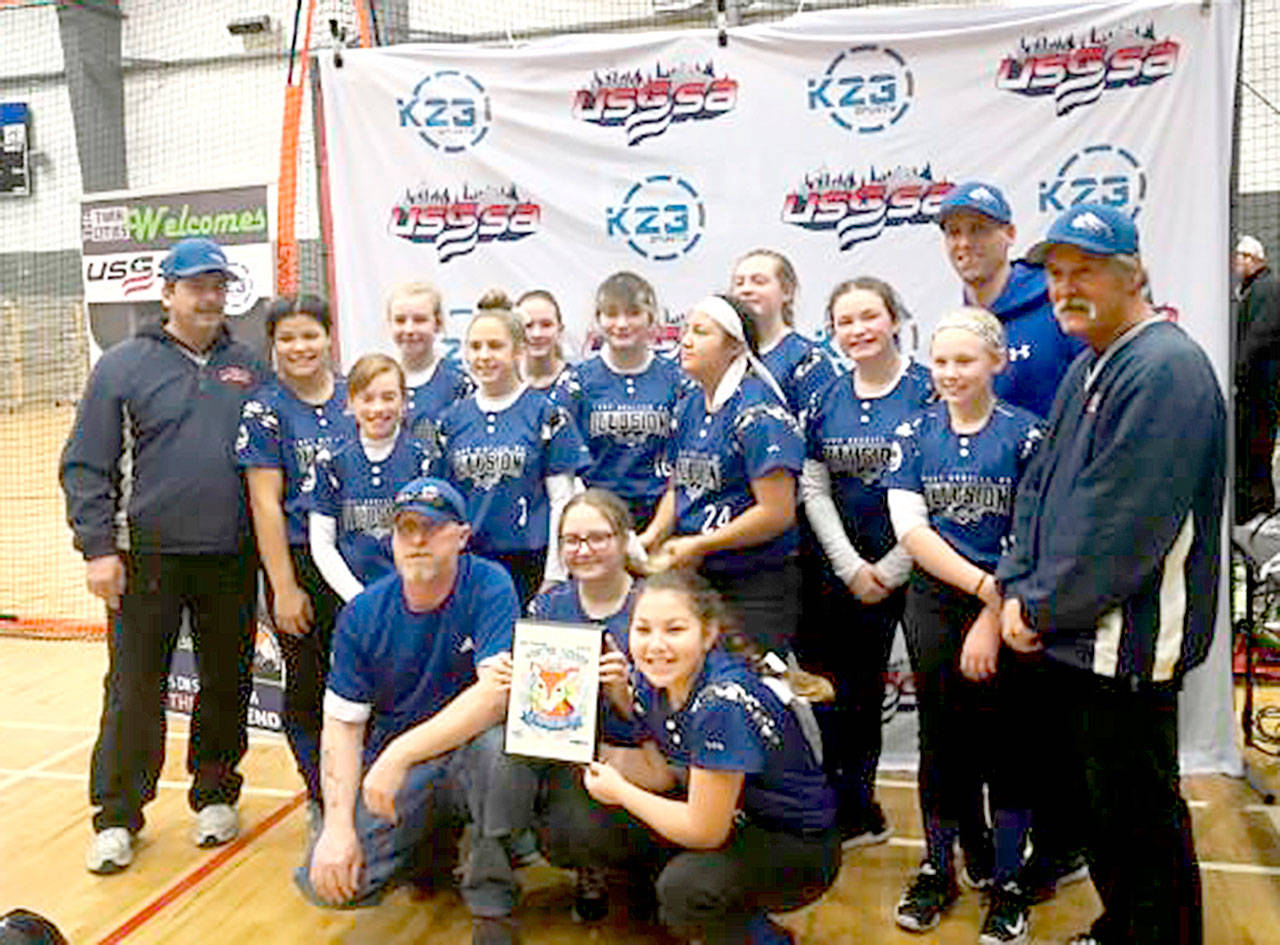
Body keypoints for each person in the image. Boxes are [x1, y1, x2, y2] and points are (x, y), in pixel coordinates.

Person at [997, 204, 1226, 945]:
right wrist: (1017, 586)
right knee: (1103, 814)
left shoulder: (1164, 368)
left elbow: (1118, 525)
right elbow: (1039, 488)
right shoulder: (1096, 360)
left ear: (1133, 275)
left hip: (1125, 644)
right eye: (1056, 274)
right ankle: (1126, 922)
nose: (1064, 287)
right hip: (1076, 634)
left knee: (1138, 816)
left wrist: (1035, 606)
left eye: (1083, 270)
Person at [60, 236, 265, 874]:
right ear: (167, 292)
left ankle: (214, 794)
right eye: (195, 285)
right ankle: (118, 815)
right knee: (132, 689)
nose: (209, 297)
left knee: (227, 678)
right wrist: (99, 549)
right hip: (143, 559)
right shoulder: (122, 366)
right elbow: (86, 465)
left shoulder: (249, 366)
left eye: (217, 285)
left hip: (230, 556)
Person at [544, 569, 841, 945]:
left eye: (674, 629)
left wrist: (621, 792)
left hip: (796, 846)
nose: (655, 645)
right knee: (578, 817)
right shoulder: (650, 679)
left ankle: (764, 938)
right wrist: (619, 696)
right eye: (643, 629)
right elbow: (659, 773)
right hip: (735, 819)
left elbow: (704, 830)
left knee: (686, 888)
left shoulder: (723, 701)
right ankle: (672, 911)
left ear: (708, 633)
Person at [298, 477, 530, 945]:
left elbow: (494, 695)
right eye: (406, 529)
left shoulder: (491, 584)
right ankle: (431, 848)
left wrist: (398, 754)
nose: (417, 541)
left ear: (462, 536)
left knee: (497, 747)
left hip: (467, 754)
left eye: (432, 528)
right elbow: (342, 726)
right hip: (410, 770)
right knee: (330, 887)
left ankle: (492, 902)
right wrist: (338, 827)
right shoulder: (362, 613)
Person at [886, 308, 1044, 939]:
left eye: (966, 361)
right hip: (939, 602)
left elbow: (1035, 535)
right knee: (942, 742)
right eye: (942, 361)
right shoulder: (913, 432)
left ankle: (1008, 880)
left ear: (997, 364)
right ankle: (938, 868)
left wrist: (994, 609)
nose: (951, 373)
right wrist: (981, 591)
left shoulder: (1030, 436)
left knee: (1008, 745)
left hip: (1012, 606)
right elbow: (912, 533)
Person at [799, 276, 932, 848]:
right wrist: (853, 566)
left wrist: (894, 566)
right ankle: (855, 809)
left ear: (895, 320)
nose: (858, 331)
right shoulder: (825, 396)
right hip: (846, 570)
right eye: (845, 322)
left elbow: (944, 486)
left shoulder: (930, 390)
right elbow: (814, 487)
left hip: (926, 566)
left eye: (869, 317)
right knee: (847, 697)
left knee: (948, 706)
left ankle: (956, 843)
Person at [238, 295, 355, 821]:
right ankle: (320, 795)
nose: (299, 347)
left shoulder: (358, 396)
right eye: (287, 338)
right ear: (273, 345)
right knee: (308, 682)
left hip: (362, 560)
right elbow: (264, 502)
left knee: (367, 679)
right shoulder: (264, 409)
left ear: (329, 337)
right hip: (303, 563)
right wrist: (283, 587)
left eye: (310, 334)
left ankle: (368, 785)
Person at [639, 294, 804, 655]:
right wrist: (652, 535)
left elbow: (776, 513)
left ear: (734, 347)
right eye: (685, 331)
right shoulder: (689, 407)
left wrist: (701, 543)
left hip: (755, 583)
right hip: (697, 576)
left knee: (749, 685)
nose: (686, 341)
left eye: (700, 332)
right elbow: (679, 486)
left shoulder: (759, 414)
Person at [525, 488, 642, 921]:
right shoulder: (548, 606)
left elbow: (683, 717)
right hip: (573, 755)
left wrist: (626, 696)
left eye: (598, 537)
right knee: (564, 830)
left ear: (624, 539)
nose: (584, 549)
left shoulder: (653, 606)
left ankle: (651, 863)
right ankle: (589, 864)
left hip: (648, 755)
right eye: (572, 540)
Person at [434, 304, 590, 605]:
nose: (483, 356)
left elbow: (562, 500)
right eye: (475, 346)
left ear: (519, 351)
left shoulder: (546, 414)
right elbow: (446, 505)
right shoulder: (451, 420)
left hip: (530, 561)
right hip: (470, 563)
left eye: (495, 346)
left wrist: (555, 575)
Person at [550, 272, 684, 531]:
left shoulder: (677, 381)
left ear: (651, 318)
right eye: (611, 314)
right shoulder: (576, 383)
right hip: (596, 516)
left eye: (633, 313)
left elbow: (685, 460)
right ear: (598, 320)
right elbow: (565, 467)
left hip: (661, 514)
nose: (621, 324)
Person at [939, 181, 1083, 418]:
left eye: (978, 229)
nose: (964, 243)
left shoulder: (1058, 306)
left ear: (1010, 234)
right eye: (954, 232)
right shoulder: (959, 328)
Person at [309, 353, 432, 602]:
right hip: (351, 599)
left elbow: (434, 537)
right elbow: (322, 545)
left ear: (404, 401)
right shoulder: (330, 461)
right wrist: (357, 598)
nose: (378, 408)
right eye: (367, 399)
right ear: (351, 402)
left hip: (415, 596)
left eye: (388, 397)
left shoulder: (425, 459)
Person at [385, 280, 473, 442]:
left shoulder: (458, 383)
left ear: (438, 324)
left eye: (419, 320)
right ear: (389, 323)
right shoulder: (378, 381)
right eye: (400, 320)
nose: (409, 329)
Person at [1233, 234, 1280, 524]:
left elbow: (1259, 339)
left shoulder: (1266, 290)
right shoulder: (1257, 290)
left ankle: (1256, 508)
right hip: (1256, 389)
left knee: (1253, 449)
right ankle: (1254, 506)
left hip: (1257, 391)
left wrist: (1237, 374)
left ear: (1250, 258)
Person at [515, 289, 568, 391]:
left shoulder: (580, 382)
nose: (537, 334)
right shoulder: (502, 383)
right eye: (528, 326)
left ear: (560, 329)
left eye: (546, 325)